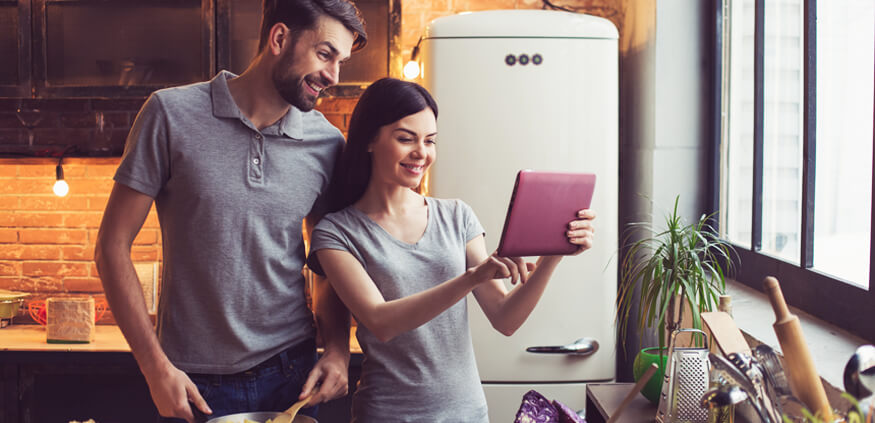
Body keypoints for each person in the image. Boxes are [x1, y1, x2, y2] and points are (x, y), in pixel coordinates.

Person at [93, 1, 367, 421]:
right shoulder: (170, 114)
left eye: (341, 62)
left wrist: (335, 351)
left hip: (294, 375)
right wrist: (154, 367)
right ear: (279, 39)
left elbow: (328, 265)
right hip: (193, 383)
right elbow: (112, 247)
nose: (333, 76)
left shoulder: (327, 143)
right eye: (325, 54)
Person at [307, 77, 597, 423]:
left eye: (430, 141)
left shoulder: (456, 216)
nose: (421, 153)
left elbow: (505, 318)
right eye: (405, 138)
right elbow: (381, 321)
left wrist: (553, 253)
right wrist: (472, 277)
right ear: (370, 139)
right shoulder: (337, 232)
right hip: (387, 416)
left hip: (467, 414)